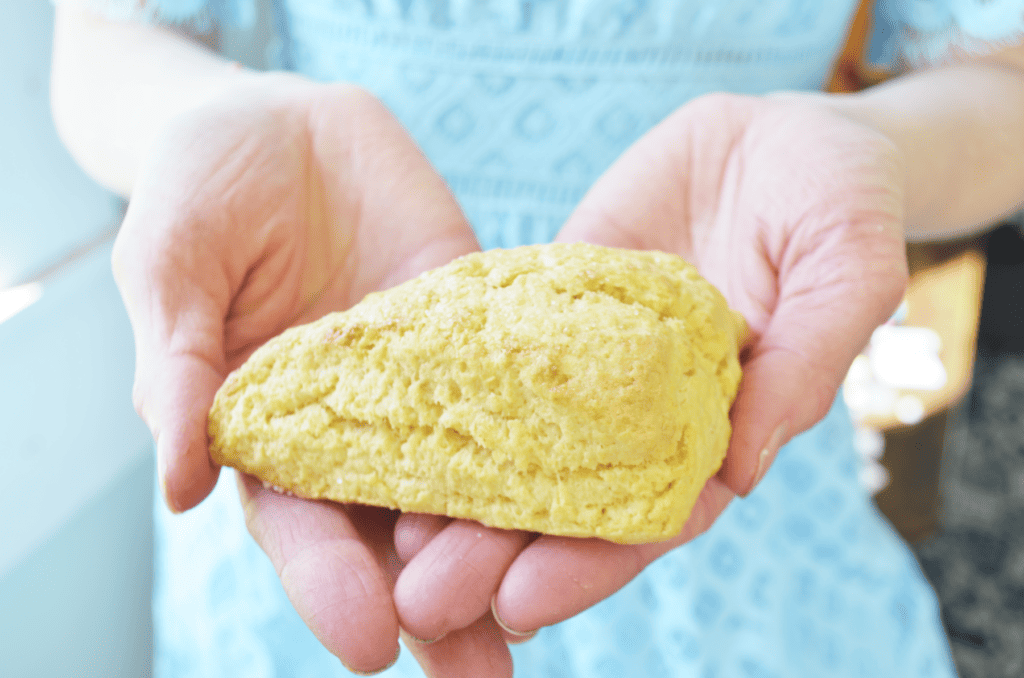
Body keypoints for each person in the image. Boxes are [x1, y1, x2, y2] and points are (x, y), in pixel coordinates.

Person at [50, 1, 1024, 676]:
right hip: (315, 285)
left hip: (740, 387)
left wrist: (872, 149)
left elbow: (1001, 79)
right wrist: (207, 119)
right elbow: (102, 44)